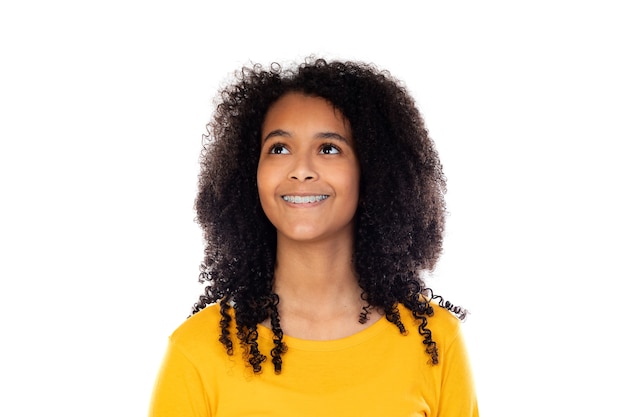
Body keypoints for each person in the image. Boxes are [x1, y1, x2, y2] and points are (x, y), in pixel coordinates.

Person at [149, 58, 479, 416]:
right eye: (279, 148)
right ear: (251, 174)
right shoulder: (196, 351)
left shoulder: (436, 342)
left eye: (329, 148)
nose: (301, 170)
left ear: (372, 173)